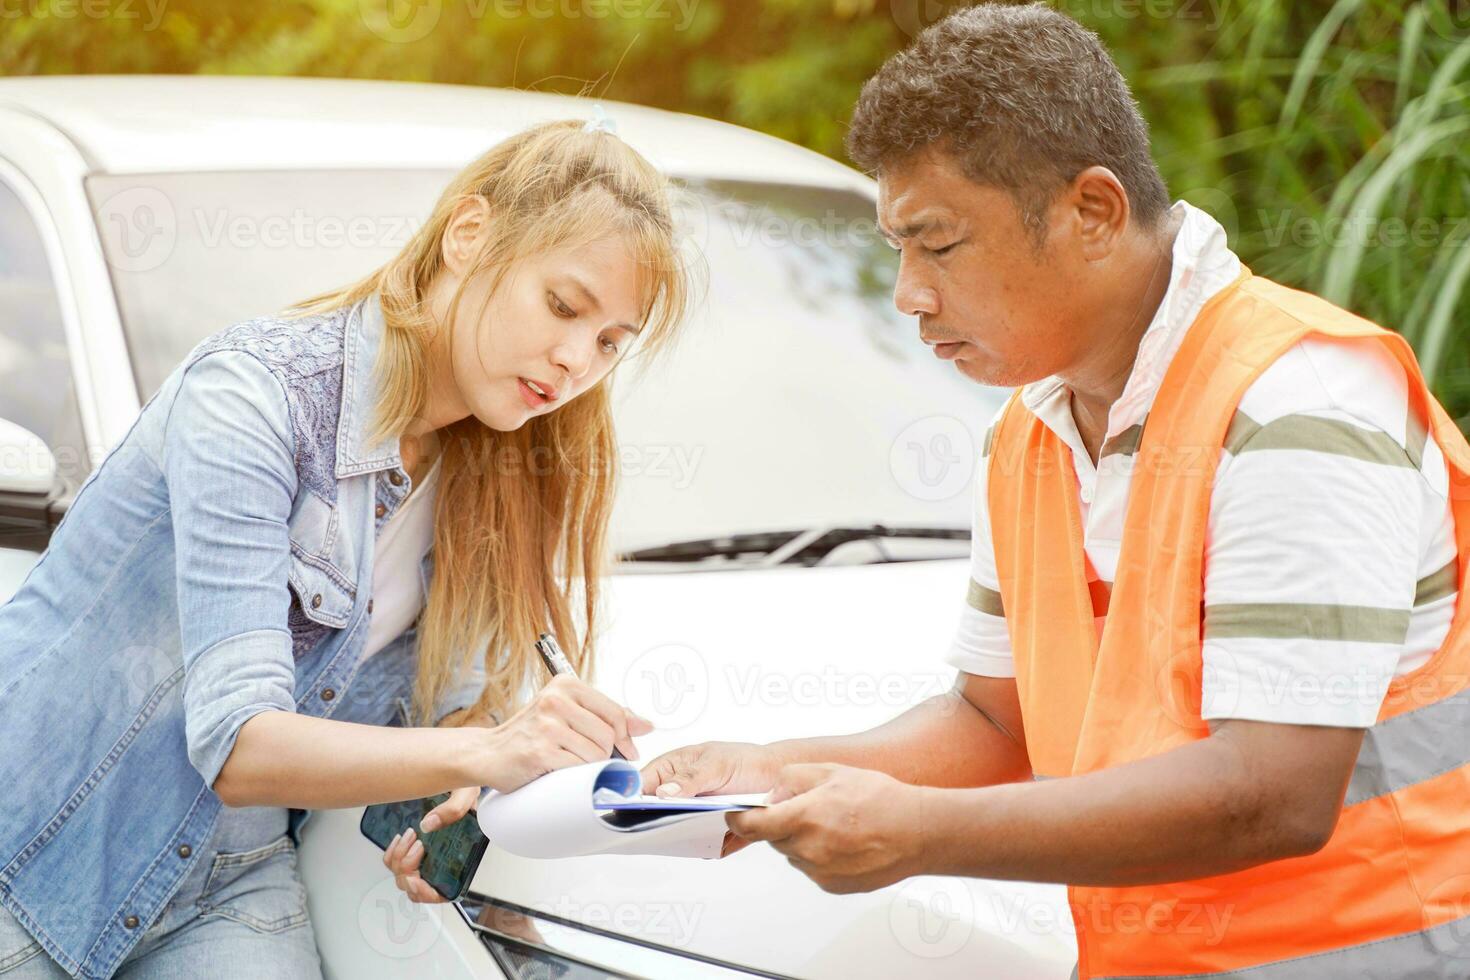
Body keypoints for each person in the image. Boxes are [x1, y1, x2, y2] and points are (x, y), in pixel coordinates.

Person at [642, 5, 1470, 976]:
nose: (908, 292)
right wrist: (775, 767)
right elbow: (997, 722)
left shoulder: (1302, 402)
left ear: (1093, 212)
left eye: (939, 245)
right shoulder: (1030, 429)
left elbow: (1271, 791)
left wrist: (922, 831)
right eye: (896, 250)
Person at [0, 116, 692, 979]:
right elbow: (239, 743)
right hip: (35, 848)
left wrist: (461, 803)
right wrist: (492, 749)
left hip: (230, 877)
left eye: (608, 344)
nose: (573, 360)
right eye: (562, 305)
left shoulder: (502, 472)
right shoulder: (253, 398)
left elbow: (451, 721)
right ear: (468, 235)